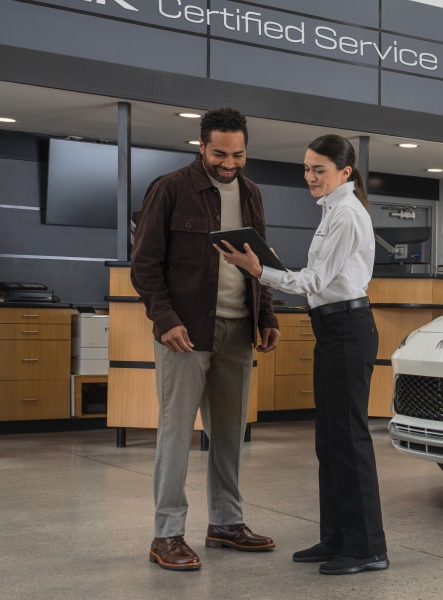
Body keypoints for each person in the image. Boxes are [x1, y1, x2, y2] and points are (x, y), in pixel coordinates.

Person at [216, 133, 388, 576]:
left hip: (348, 328)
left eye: (319, 170)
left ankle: (367, 547)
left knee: (349, 440)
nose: (310, 177)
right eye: (307, 168)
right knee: (329, 441)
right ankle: (337, 538)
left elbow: (313, 281)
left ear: (344, 173)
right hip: (333, 328)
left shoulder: (347, 214)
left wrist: (259, 270)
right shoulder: (333, 209)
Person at [131, 107, 281, 572]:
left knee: (231, 434)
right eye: (220, 153)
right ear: (201, 146)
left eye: (237, 154)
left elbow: (258, 258)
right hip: (185, 331)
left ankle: (226, 523)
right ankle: (167, 533)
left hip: (238, 331)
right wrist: (164, 319)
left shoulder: (251, 192)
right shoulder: (171, 188)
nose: (229, 163)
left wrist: (267, 314)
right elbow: (145, 264)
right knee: (177, 435)